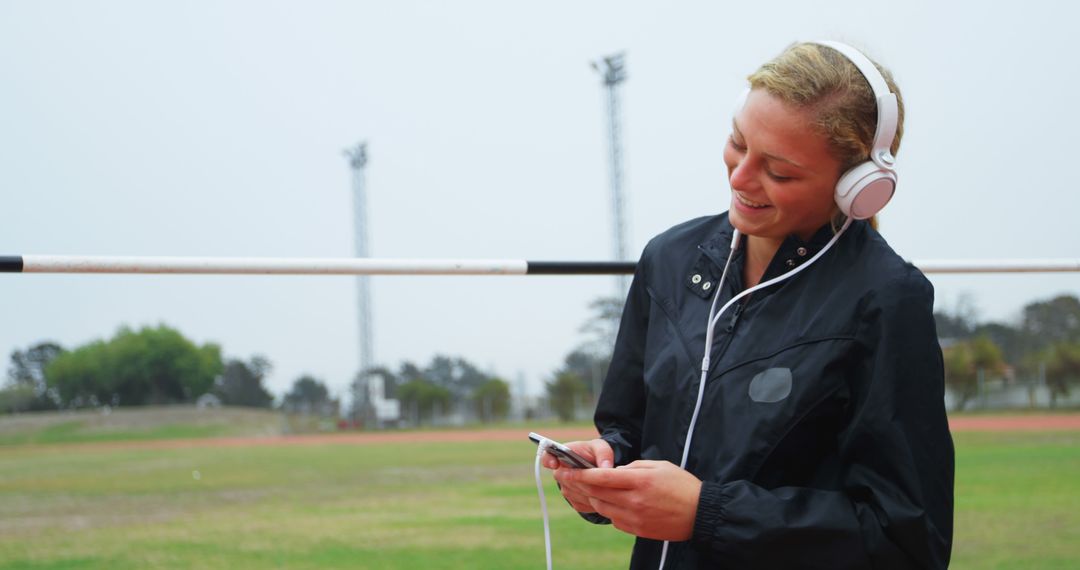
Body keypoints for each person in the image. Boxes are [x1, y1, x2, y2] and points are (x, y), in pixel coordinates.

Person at [543, 41, 954, 569]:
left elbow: (905, 541)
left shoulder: (885, 299)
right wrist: (603, 466)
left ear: (858, 188)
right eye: (738, 143)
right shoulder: (668, 259)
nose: (739, 178)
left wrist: (706, 513)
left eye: (779, 172)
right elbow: (631, 430)